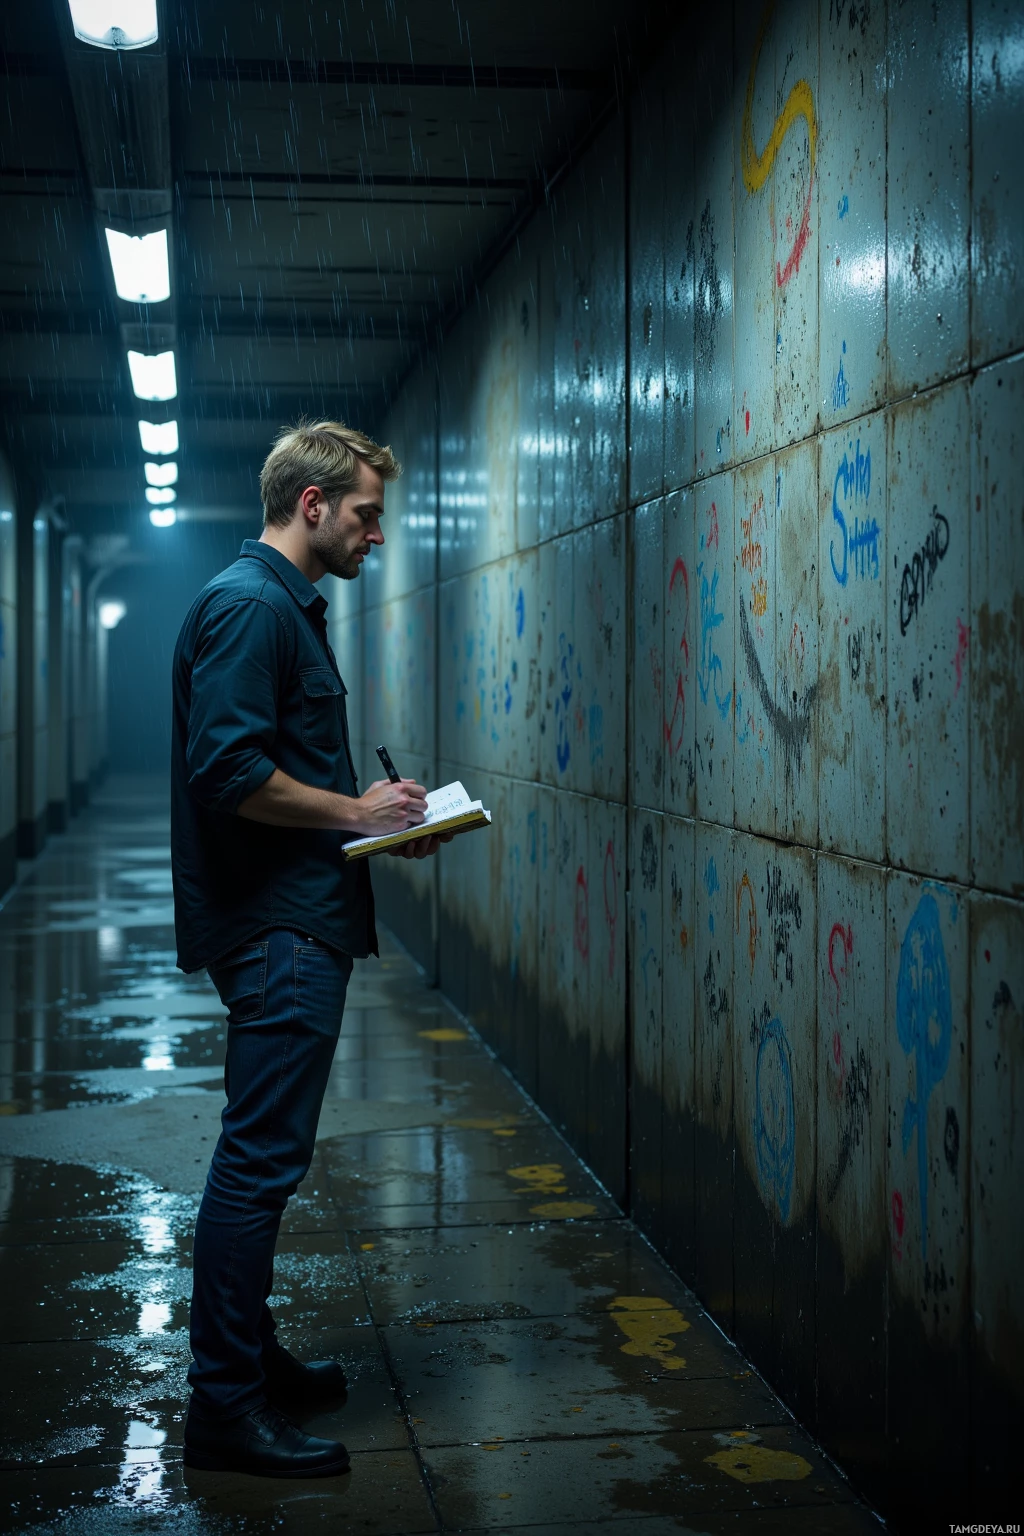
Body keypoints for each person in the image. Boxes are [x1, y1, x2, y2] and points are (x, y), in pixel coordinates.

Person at [170, 420, 449, 1477]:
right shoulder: (250, 609)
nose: (377, 535)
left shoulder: (271, 605)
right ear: (312, 504)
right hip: (279, 927)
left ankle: (248, 1358)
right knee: (258, 1165)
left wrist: (377, 822)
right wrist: (357, 813)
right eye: (367, 514)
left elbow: (268, 774)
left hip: (290, 915)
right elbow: (232, 773)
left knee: (263, 1164)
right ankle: (225, 1410)